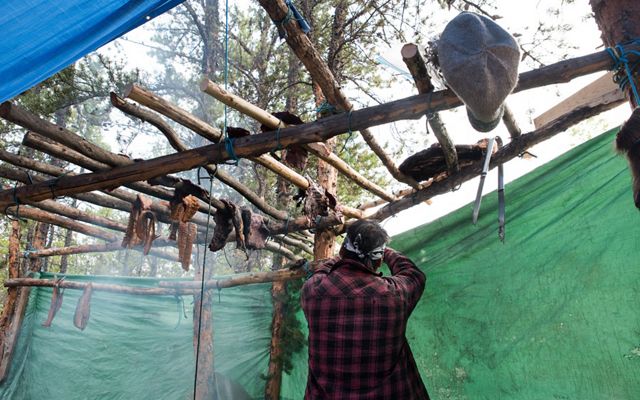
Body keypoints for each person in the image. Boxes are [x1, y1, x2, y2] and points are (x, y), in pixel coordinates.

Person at [301, 219, 430, 399]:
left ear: (343, 250)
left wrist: (341, 257)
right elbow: (413, 274)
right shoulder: (396, 295)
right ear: (378, 261)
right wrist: (387, 252)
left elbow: (323, 271)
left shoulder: (313, 292)